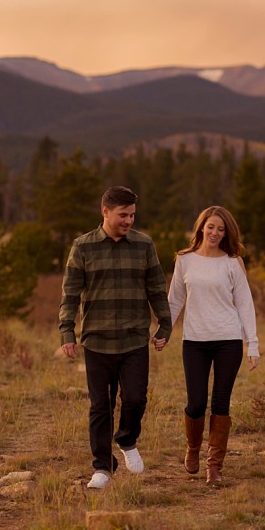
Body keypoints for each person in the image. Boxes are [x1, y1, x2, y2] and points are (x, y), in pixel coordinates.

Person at [59, 186, 172, 490]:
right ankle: (102, 467)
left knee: (135, 397)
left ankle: (127, 439)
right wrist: (67, 332)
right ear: (105, 212)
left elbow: (157, 289)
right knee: (100, 406)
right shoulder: (82, 247)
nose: (129, 220)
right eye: (123, 215)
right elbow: (70, 295)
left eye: (133, 214)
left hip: (135, 338)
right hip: (97, 340)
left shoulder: (144, 245)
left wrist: (165, 324)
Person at [157, 205, 259, 484]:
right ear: (201, 226)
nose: (215, 233)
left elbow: (245, 304)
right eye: (211, 226)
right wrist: (164, 329)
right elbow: (175, 299)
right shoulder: (184, 260)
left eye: (221, 229)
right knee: (196, 402)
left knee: (221, 402)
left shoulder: (232, 262)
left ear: (227, 233)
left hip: (228, 339)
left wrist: (253, 343)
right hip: (195, 341)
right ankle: (193, 449)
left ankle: (214, 466)